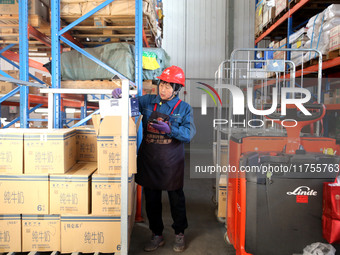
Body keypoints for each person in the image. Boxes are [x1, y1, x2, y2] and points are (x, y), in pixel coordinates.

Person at [112, 65, 196, 252]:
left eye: (168, 86)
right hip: (150, 160)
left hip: (171, 162)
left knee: (176, 200)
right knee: (152, 201)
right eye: (162, 85)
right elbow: (130, 104)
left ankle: (179, 233)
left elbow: (189, 134)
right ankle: (157, 234)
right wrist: (120, 96)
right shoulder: (148, 101)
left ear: (177, 89)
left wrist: (171, 130)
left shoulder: (184, 109)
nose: (163, 89)